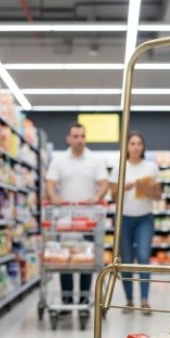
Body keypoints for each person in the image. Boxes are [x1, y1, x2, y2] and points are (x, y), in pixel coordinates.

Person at [45, 121, 109, 308]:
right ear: (68, 139)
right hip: (65, 219)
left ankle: (83, 300)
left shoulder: (95, 160)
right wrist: (54, 197)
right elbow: (50, 182)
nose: (80, 140)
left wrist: (96, 197)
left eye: (82, 136)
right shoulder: (59, 161)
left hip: (88, 219)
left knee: (86, 261)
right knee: (65, 260)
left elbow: (104, 183)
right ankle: (66, 301)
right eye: (76, 136)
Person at [109, 131, 161, 314]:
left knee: (144, 257)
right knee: (127, 260)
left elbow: (158, 195)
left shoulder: (151, 168)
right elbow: (113, 196)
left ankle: (145, 300)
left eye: (139, 143)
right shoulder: (119, 168)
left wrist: (147, 189)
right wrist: (124, 187)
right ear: (126, 147)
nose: (136, 147)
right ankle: (129, 300)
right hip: (123, 218)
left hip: (145, 218)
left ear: (143, 147)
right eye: (132, 143)